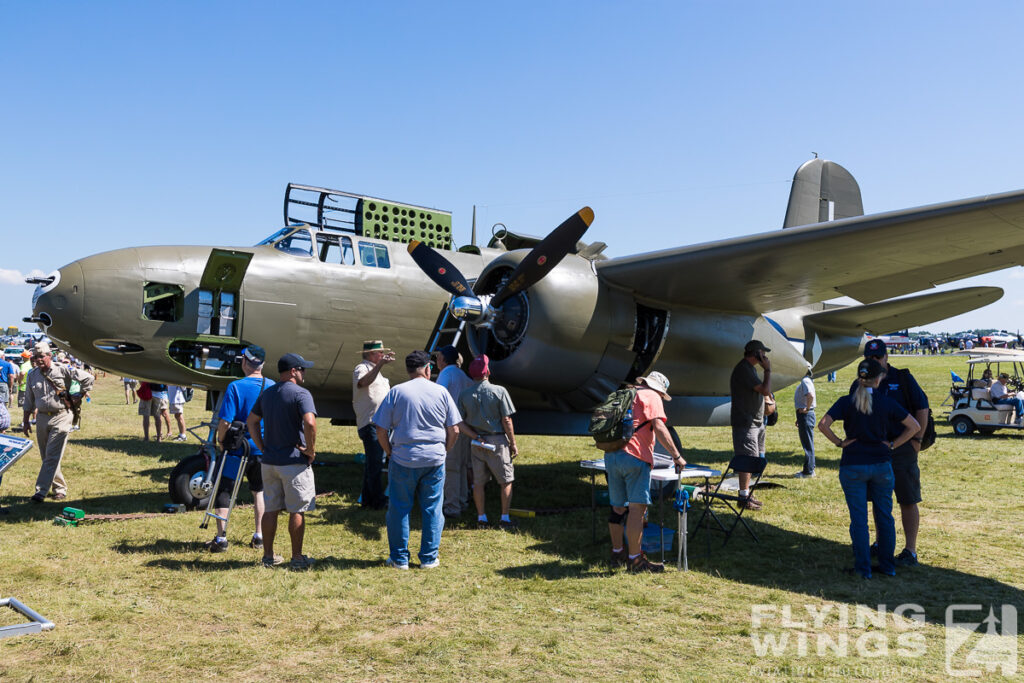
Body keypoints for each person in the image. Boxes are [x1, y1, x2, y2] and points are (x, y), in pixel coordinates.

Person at [819, 358, 920, 579]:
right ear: (879, 378)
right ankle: (888, 566)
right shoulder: (886, 402)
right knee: (885, 517)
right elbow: (915, 426)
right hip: (882, 465)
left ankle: (863, 569)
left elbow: (823, 424)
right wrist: (893, 444)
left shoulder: (846, 401)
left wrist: (839, 442)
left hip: (853, 465)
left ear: (859, 378)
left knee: (859, 520)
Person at [373, 350, 461, 570]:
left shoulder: (397, 391)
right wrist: (445, 450)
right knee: (432, 509)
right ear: (428, 369)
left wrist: (389, 451)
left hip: (403, 458)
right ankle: (429, 558)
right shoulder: (440, 392)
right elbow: (455, 429)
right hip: (434, 459)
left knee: (399, 509)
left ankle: (399, 558)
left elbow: (381, 429)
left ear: (408, 370)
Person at [854, 338, 930, 567]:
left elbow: (922, 408)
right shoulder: (862, 381)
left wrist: (916, 440)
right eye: (870, 357)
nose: (874, 361)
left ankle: (910, 550)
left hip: (902, 448)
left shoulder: (903, 378)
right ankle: (880, 542)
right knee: (878, 499)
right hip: (875, 449)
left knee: (907, 499)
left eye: (878, 357)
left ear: (887, 356)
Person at [603, 371, 685, 573]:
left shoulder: (626, 393)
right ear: (659, 389)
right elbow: (658, 426)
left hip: (611, 454)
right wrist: (676, 455)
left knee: (617, 508)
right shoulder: (652, 396)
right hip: (635, 457)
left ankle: (617, 552)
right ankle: (635, 560)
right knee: (637, 510)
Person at [248, 353, 317, 570]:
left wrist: (261, 447)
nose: (304, 373)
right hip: (294, 462)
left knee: (271, 509)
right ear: (294, 371)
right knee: (296, 510)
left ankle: (268, 557)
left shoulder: (267, 393)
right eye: (302, 369)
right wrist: (311, 450)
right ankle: (296, 558)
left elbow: (252, 421)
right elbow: (310, 422)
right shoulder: (302, 394)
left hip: (269, 462)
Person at [205, 346, 268, 553]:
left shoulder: (235, 386)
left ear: (243, 363)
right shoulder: (272, 386)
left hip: (237, 449)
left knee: (224, 490)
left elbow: (225, 421)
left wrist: (221, 441)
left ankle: (221, 538)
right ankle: (259, 536)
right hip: (261, 449)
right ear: (263, 365)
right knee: (259, 491)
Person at [21, 342, 94, 502]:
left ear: (50, 356)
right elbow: (28, 400)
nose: (38, 360)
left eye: (41, 356)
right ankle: (59, 489)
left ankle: (40, 491)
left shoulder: (62, 369)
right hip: (41, 417)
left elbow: (88, 378)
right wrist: (26, 421)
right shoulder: (32, 375)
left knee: (52, 455)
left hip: (62, 415)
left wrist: (79, 396)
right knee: (47, 456)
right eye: (35, 357)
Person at [456, 355, 520, 530]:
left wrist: (474, 436)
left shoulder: (464, 394)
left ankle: (481, 518)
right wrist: (513, 442)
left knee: (478, 482)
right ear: (488, 372)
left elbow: (459, 422)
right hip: (497, 440)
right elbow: (506, 419)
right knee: (506, 480)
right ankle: (504, 518)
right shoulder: (499, 391)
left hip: (477, 442)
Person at [730, 340, 773, 510]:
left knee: (752, 459)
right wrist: (768, 370)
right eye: (763, 353)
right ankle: (743, 497)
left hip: (755, 422)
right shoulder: (744, 369)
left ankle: (747, 494)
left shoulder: (749, 369)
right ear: (756, 354)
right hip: (746, 423)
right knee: (746, 461)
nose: (765, 357)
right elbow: (765, 390)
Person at [352, 340, 395, 510]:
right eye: (379, 353)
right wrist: (380, 365)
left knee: (374, 462)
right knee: (376, 462)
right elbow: (363, 382)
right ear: (371, 354)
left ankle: (367, 500)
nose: (382, 355)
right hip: (371, 423)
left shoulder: (377, 372)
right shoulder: (361, 368)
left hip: (379, 423)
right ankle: (377, 501)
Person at [434, 345, 473, 519]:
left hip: (451, 426)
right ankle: (462, 501)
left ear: (444, 359)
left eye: (438, 357)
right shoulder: (464, 376)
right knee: (462, 467)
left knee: (451, 469)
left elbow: (438, 395)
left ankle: (451, 506)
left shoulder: (446, 374)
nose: (436, 361)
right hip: (465, 427)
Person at [793, 369, 816, 478]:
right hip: (804, 415)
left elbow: (810, 395)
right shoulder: (808, 380)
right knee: (808, 442)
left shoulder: (805, 380)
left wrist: (806, 409)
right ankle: (811, 468)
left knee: (807, 444)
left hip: (806, 415)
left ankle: (808, 472)